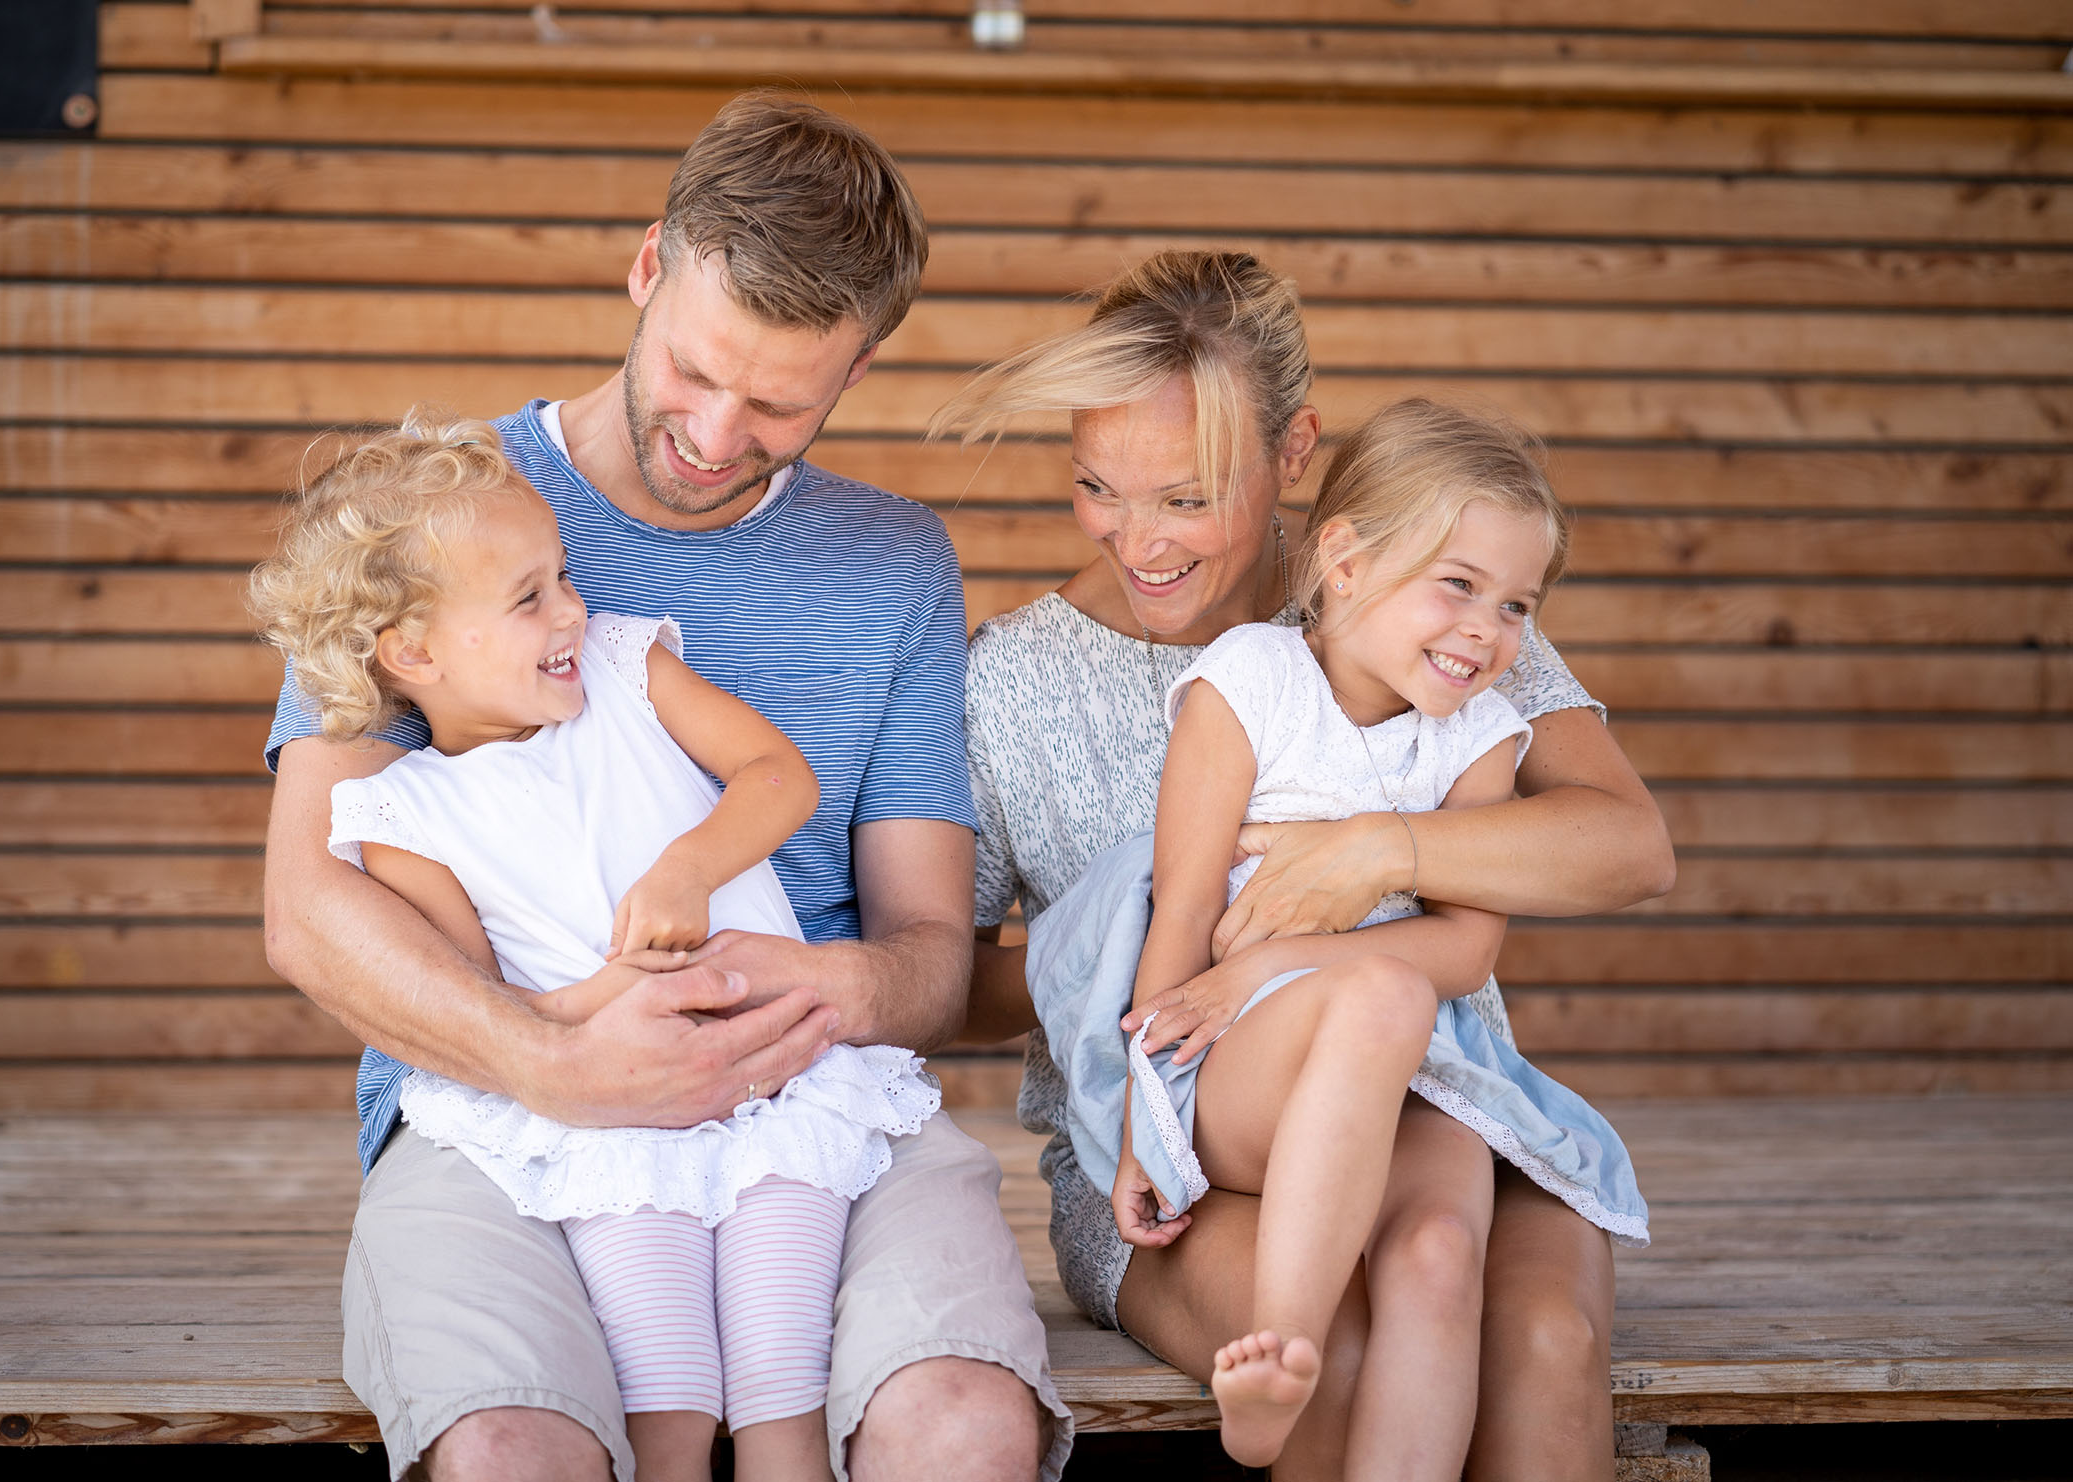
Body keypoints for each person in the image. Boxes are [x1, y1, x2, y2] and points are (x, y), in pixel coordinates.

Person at [261, 94, 1064, 1482]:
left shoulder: (892, 564)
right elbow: (309, 908)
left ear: (856, 370)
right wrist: (556, 1054)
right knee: (516, 1448)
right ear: (647, 268)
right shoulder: (444, 509)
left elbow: (932, 954)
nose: (712, 429)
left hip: (809, 1096)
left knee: (962, 1426)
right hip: (497, 1101)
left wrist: (828, 993)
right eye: (695, 368)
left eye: (776, 403)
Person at [935, 250, 1676, 1481]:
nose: (1138, 539)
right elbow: (945, 986)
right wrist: (1125, 947)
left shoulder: (1433, 602)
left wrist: (1376, 854)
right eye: (1097, 489)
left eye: (1186, 494)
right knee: (1328, 1342)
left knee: (1542, 1338)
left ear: (1295, 456)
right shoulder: (1009, 679)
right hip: (1178, 1149)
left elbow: (1627, 845)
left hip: (1436, 1099)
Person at [250, 413, 947, 1482]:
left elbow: (779, 779)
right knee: (663, 1396)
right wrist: (610, 1001)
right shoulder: (400, 820)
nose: (572, 608)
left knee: (779, 1389)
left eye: (562, 575)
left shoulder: (628, 668)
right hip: (609, 1129)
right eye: (528, 597)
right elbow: (488, 1001)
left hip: (777, 1088)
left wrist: (687, 870)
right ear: (413, 651)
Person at [1078, 397, 1648, 1470]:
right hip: (1238, 1063)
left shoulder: (1481, 734)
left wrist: (1297, 951)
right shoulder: (1247, 685)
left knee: (1437, 1256)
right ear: (1343, 559)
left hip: (1418, 1075)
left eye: (1517, 605)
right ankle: (1279, 1354)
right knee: (1383, 991)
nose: (1488, 632)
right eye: (1459, 586)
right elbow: (1182, 910)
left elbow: (1463, 955)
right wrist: (1135, 1130)